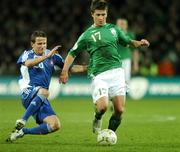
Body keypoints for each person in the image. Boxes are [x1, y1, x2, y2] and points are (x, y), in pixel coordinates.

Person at [60, 0, 150, 134]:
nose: (101, 18)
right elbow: (72, 53)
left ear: (107, 14)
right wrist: (64, 71)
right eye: (98, 15)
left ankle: (108, 133)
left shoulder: (114, 29)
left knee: (119, 110)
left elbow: (128, 42)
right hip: (99, 75)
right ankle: (97, 117)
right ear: (92, 15)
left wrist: (140, 43)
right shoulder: (86, 35)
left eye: (103, 14)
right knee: (102, 107)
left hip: (117, 72)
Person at [6, 30, 86, 142]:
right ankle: (23, 120)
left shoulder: (53, 56)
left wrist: (87, 67)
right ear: (32, 44)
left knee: (55, 125)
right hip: (28, 92)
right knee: (44, 92)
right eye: (39, 43)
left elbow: (69, 67)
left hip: (40, 98)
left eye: (44, 43)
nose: (42, 46)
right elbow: (29, 63)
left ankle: (22, 131)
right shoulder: (27, 54)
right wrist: (46, 56)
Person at [116, 18, 139, 85]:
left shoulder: (130, 35)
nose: (121, 26)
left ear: (126, 25)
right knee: (115, 81)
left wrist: (135, 64)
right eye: (119, 24)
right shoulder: (112, 35)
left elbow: (135, 51)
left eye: (123, 24)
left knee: (126, 81)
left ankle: (123, 94)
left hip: (126, 60)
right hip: (114, 61)